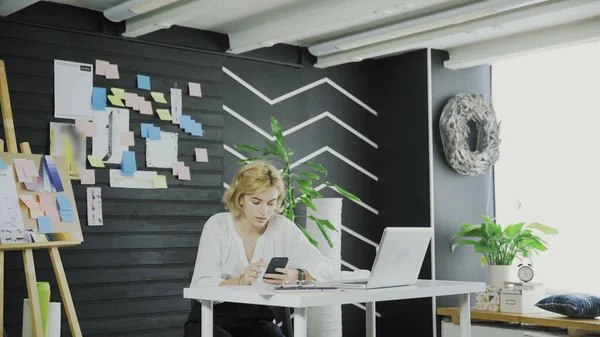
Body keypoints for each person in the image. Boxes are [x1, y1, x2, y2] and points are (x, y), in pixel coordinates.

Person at [184, 160, 334, 337]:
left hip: (254, 320)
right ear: (241, 199)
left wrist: (296, 274)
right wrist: (240, 280)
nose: (264, 211)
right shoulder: (217, 226)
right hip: (210, 318)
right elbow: (201, 285)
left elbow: (325, 268)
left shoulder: (282, 227)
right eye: (256, 202)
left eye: (271, 203)